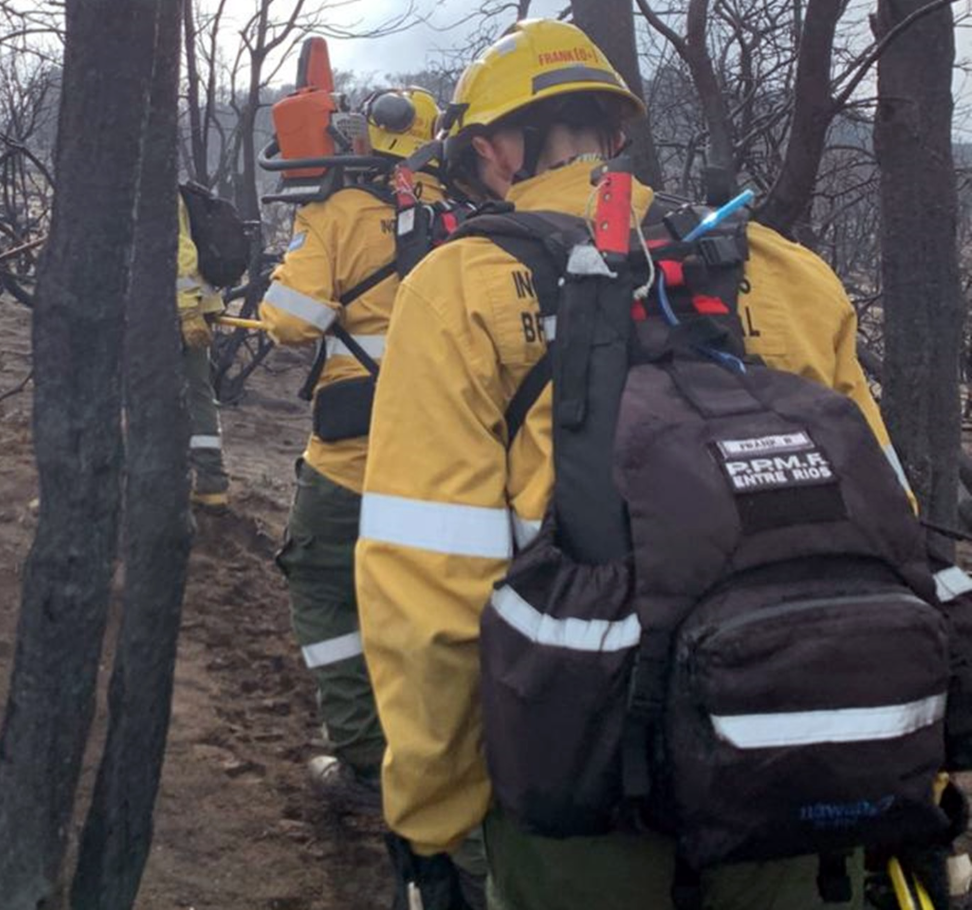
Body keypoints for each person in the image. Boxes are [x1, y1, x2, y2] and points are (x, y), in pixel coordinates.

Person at [355, 19, 903, 909]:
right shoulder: (783, 269)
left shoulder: (457, 288)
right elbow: (891, 523)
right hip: (801, 763)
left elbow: (430, 589)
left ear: (489, 147)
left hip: (584, 783)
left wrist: (432, 811)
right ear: (616, 132)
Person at [259, 86, 452, 810]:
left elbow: (290, 322)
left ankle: (365, 760)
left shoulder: (337, 212)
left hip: (352, 462)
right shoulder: (471, 214)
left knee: (324, 589)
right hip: (449, 460)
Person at [178, 190, 231, 510]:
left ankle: (209, 480)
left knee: (193, 393)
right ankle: (209, 483)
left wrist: (186, 311)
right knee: (196, 392)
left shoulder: (154, 189)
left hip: (181, 308)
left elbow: (180, 250)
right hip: (192, 304)